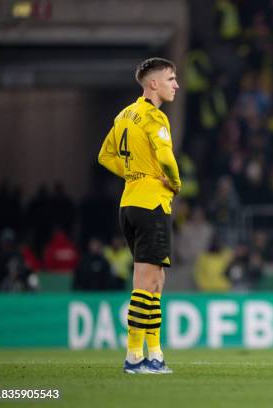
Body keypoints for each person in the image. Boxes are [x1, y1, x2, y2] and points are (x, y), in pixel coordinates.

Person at [98, 57, 181, 374]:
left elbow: (104, 155)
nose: (175, 85)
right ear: (153, 84)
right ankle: (134, 357)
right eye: (171, 79)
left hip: (130, 202)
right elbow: (167, 158)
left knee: (155, 282)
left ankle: (155, 354)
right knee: (145, 284)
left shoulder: (124, 115)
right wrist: (174, 182)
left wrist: (133, 174)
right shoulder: (154, 117)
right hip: (151, 205)